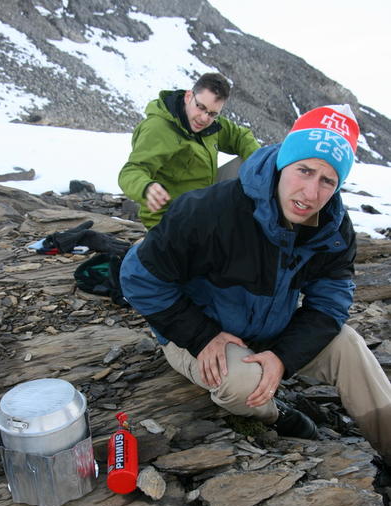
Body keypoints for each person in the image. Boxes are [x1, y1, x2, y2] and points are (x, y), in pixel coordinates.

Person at [120, 104, 391, 463]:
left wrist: (282, 358)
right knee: (240, 385)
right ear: (283, 162)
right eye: (304, 170)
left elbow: (329, 306)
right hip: (203, 333)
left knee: (349, 345)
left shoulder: (333, 229)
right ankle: (280, 416)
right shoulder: (210, 211)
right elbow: (137, 277)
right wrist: (201, 336)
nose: (310, 193)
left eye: (327, 180)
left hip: (271, 331)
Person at [118, 72, 260, 229]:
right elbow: (130, 171)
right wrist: (147, 188)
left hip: (204, 202)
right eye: (200, 107)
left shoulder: (211, 124)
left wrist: (262, 163)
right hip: (172, 217)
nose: (204, 118)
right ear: (188, 97)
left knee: (255, 162)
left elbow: (240, 136)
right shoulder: (158, 128)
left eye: (212, 114)